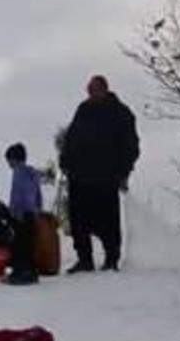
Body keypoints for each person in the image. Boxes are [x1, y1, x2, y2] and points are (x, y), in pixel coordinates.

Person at [59, 75, 140, 273]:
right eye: (88, 90)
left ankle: (111, 258)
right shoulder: (83, 110)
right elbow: (71, 138)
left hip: (106, 175)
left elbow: (131, 145)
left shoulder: (120, 113)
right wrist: (65, 161)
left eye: (94, 90)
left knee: (108, 220)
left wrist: (124, 171)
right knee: (78, 218)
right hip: (79, 175)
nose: (91, 94)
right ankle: (84, 259)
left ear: (104, 89)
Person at [5, 143, 43, 285]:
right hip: (31, 213)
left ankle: (22, 272)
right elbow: (37, 194)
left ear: (14, 159)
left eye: (9, 160)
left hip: (21, 214)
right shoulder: (32, 173)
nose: (8, 164)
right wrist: (37, 209)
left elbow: (20, 194)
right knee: (28, 243)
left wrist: (16, 211)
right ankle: (30, 271)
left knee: (20, 244)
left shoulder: (19, 173)